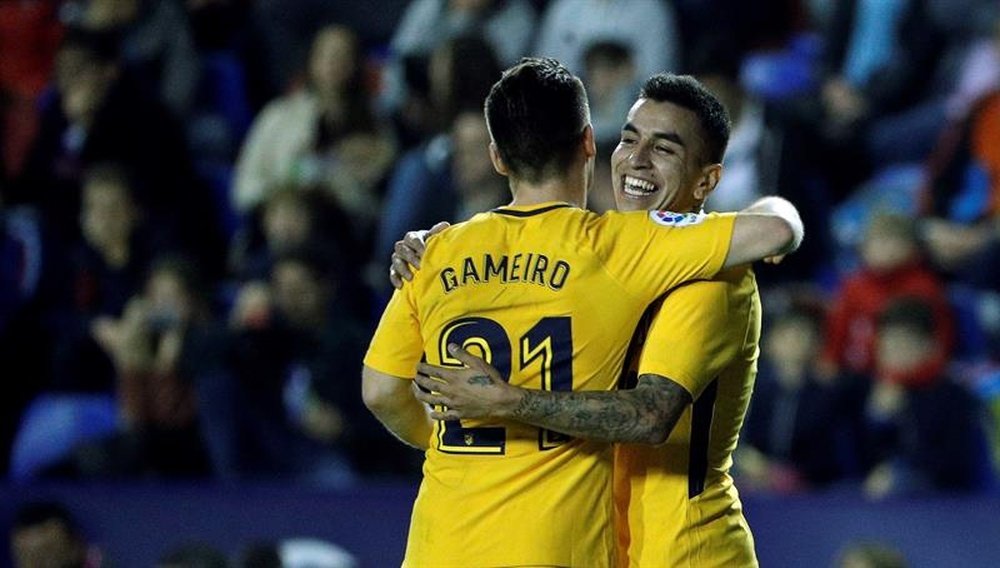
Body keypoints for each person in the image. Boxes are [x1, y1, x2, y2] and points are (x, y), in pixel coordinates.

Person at [364, 59, 802, 567]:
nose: (636, 160)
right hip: (608, 546)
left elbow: (648, 414)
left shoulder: (709, 280)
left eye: (663, 148)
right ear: (592, 144)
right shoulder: (611, 252)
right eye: (631, 139)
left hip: (684, 551)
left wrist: (495, 413)